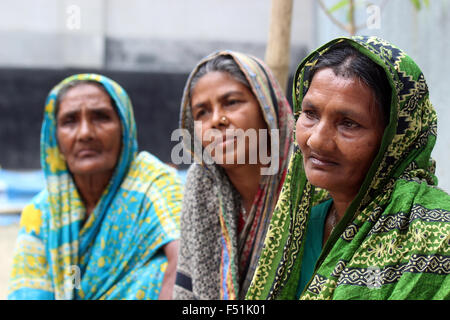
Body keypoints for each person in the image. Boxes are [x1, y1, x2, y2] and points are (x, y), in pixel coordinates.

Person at [246, 36, 450, 300]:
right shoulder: (299, 228)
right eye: (310, 113)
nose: (317, 139)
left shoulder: (435, 235)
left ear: (395, 139)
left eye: (349, 123)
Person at [8, 74, 182, 300]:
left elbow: (186, 256)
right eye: (70, 121)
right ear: (54, 138)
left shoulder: (151, 182)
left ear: (124, 129)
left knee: (161, 271)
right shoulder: (44, 214)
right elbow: (31, 292)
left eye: (101, 117)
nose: (85, 133)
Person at [173, 51, 294, 299]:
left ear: (266, 109)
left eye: (232, 102)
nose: (217, 120)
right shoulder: (200, 183)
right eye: (202, 112)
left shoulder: (308, 179)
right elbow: (187, 294)